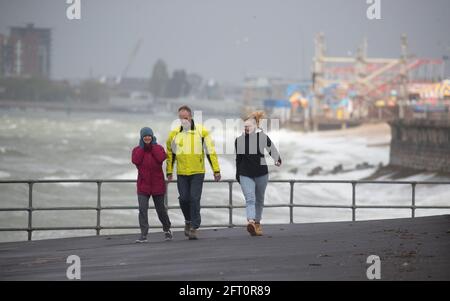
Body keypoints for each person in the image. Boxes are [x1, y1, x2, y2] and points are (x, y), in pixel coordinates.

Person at [166, 105, 221, 240]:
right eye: (180, 118)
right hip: (182, 172)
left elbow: (210, 152)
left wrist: (216, 170)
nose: (183, 120)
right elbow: (170, 153)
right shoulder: (174, 134)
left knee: (194, 199)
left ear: (190, 117)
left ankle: (194, 227)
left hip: (197, 172)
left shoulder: (201, 132)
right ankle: (188, 221)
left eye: (185, 117)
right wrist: (169, 171)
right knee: (184, 199)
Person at [235, 111, 281, 236]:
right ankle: (251, 221)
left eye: (248, 126)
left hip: (261, 173)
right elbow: (238, 159)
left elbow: (272, 149)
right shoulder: (239, 140)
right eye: (245, 126)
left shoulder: (262, 137)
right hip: (245, 174)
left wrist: (277, 159)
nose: (246, 128)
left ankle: (257, 223)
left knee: (259, 199)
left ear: (255, 127)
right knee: (250, 198)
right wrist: (237, 174)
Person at [132, 127, 172, 243]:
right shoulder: (137, 150)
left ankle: (167, 229)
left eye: (149, 136)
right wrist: (142, 148)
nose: (147, 138)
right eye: (145, 136)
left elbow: (161, 158)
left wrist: (152, 146)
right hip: (143, 185)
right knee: (142, 209)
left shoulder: (158, 148)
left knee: (161, 210)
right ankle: (143, 234)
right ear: (141, 137)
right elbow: (136, 160)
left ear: (152, 136)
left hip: (157, 185)